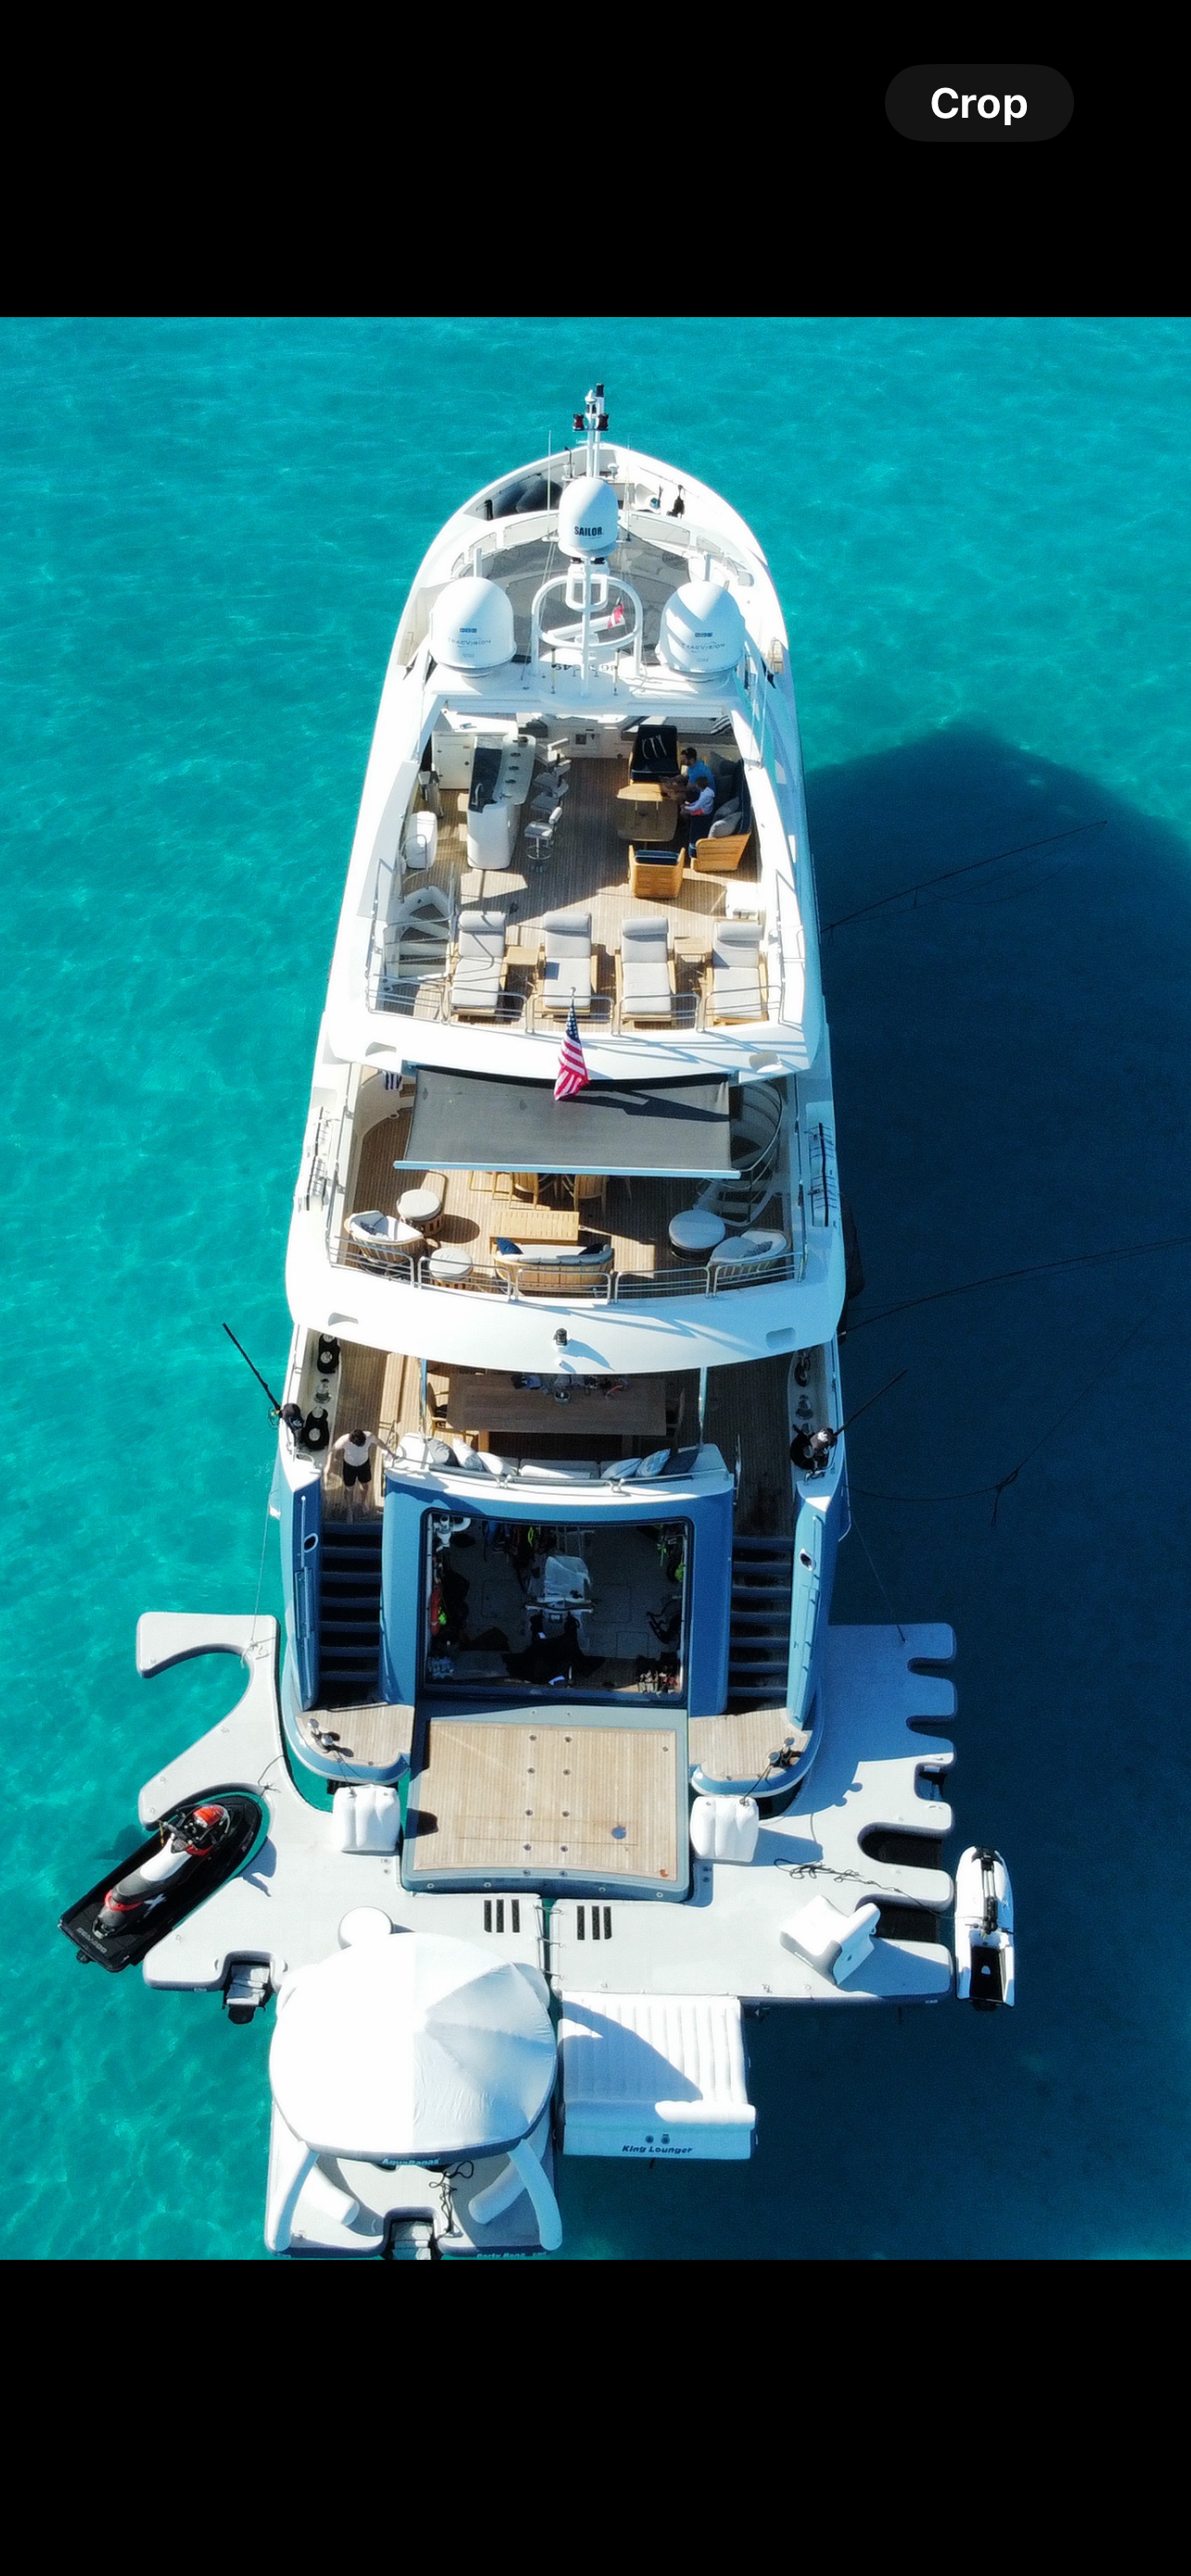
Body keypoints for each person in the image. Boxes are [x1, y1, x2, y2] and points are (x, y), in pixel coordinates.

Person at [331, 1424, 382, 1520]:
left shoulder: (369, 1436)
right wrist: (329, 1464)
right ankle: (350, 1511)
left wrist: (390, 1452)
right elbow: (333, 1449)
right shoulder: (344, 1440)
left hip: (364, 1465)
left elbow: (379, 1442)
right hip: (349, 1466)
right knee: (349, 1489)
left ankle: (363, 1502)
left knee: (365, 1486)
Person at [679, 774, 715, 858]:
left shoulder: (705, 796)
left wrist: (685, 807)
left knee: (683, 812)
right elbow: (698, 802)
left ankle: (686, 825)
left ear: (699, 786)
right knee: (685, 807)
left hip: (704, 811)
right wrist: (690, 804)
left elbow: (696, 808)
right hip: (704, 807)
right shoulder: (706, 791)